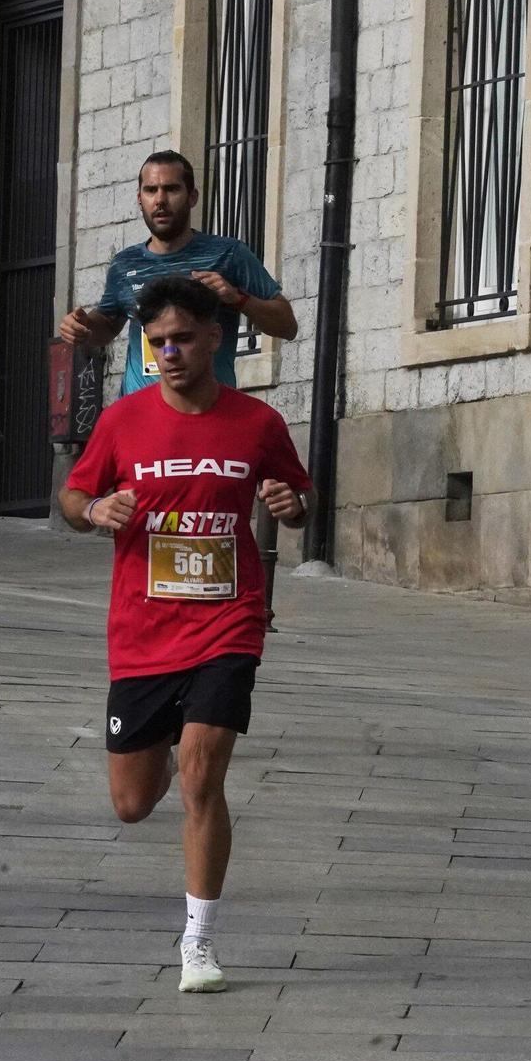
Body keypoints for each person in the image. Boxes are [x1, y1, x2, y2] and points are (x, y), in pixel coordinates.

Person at [58, 274, 310, 994]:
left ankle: (198, 941)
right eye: (158, 341)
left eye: (183, 340)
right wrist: (94, 508)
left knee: (204, 771)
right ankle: (159, 756)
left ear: (214, 340)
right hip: (142, 630)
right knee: (133, 803)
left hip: (228, 621)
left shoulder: (256, 423)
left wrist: (290, 505)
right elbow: (73, 495)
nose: (169, 352)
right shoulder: (123, 421)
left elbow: (298, 498)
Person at [60, 150, 296, 396]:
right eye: (151, 190)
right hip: (143, 421)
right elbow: (107, 325)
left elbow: (287, 326)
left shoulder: (229, 254)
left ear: (192, 197)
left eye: (171, 189)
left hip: (207, 416)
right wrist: (83, 327)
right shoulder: (124, 264)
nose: (160, 200)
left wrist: (238, 299)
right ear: (140, 198)